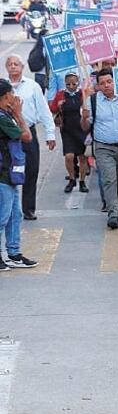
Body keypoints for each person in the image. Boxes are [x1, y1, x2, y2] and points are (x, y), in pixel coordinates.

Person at [80, 68, 118, 229]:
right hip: (103, 147)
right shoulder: (92, 101)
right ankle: (113, 212)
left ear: (115, 81)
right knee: (108, 179)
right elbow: (85, 126)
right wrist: (85, 116)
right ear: (98, 86)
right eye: (102, 83)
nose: (106, 85)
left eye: (109, 81)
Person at [6, 56, 55, 220]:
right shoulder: (3, 87)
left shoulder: (33, 86)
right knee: (7, 171)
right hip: (7, 134)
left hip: (28, 132)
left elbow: (44, 111)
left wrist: (50, 134)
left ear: (22, 67)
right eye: (10, 64)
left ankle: (28, 209)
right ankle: (9, 207)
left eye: (16, 64)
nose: (13, 67)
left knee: (31, 170)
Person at [0, 79, 38, 271]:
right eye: (11, 94)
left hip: (11, 173)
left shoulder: (5, 115)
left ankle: (13, 253)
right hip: (3, 174)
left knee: (15, 214)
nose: (15, 98)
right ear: (5, 96)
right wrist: (19, 114)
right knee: (3, 216)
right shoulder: (2, 118)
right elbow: (27, 136)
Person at [49, 71, 89, 193]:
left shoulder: (83, 94)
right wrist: (58, 105)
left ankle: (82, 181)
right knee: (69, 156)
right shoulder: (61, 94)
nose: (71, 86)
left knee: (82, 156)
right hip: (67, 129)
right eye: (68, 84)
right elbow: (52, 109)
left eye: (74, 83)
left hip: (81, 128)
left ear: (77, 83)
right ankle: (72, 178)